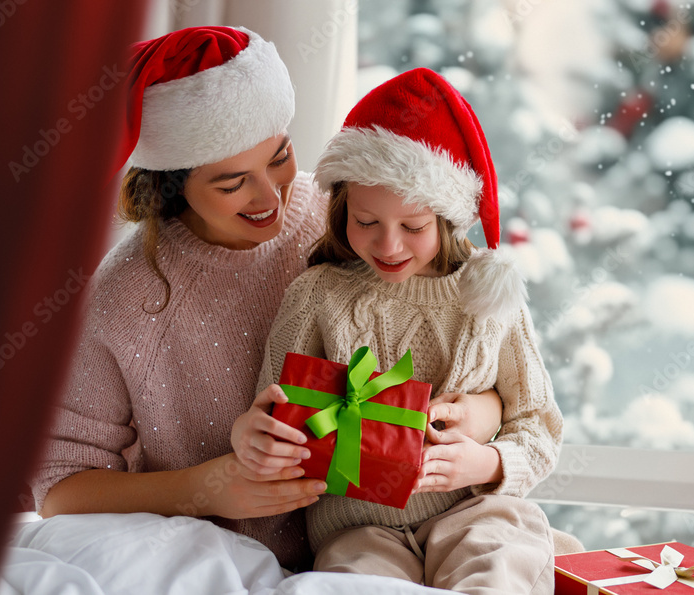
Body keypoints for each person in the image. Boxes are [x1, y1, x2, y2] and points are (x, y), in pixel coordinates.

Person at [30, 26, 503, 573]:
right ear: (171, 183)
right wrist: (205, 488)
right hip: (234, 565)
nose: (271, 194)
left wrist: (479, 414)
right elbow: (59, 490)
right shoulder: (129, 298)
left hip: (397, 535)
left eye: (279, 157)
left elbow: (476, 347)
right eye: (232, 184)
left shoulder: (355, 221)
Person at [233, 67, 564, 593]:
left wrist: (487, 461)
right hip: (358, 527)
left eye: (412, 227)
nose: (388, 245)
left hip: (477, 510)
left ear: (448, 218)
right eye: (366, 221)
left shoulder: (488, 297)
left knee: (501, 562)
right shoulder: (318, 295)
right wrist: (251, 435)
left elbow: (539, 425)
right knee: (356, 582)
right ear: (342, 207)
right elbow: (274, 408)